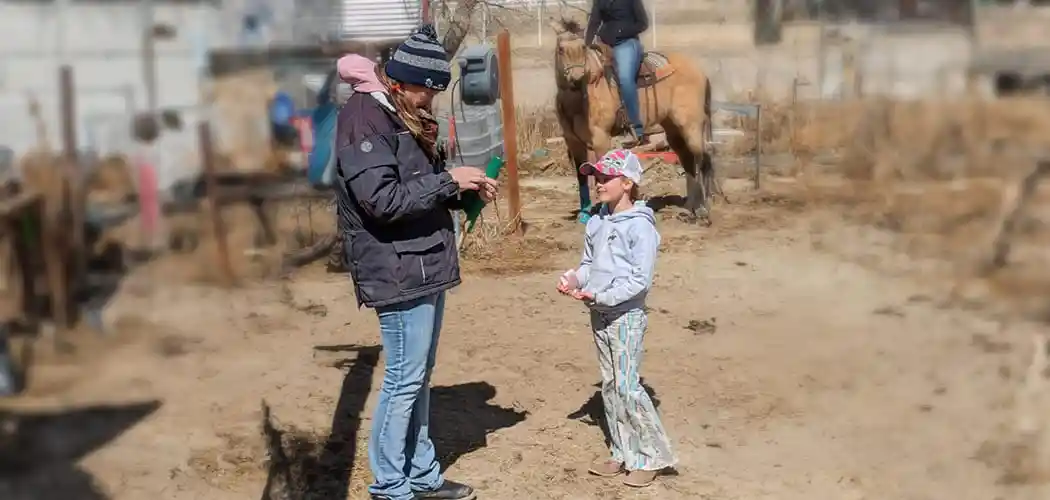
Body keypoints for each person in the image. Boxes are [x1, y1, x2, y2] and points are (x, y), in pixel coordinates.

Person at [335, 25, 498, 500]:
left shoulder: (395, 111)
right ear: (404, 80)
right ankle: (390, 484)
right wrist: (448, 181)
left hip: (421, 259)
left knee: (418, 376)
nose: (432, 99)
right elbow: (381, 200)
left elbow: (413, 184)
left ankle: (422, 475)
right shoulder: (365, 118)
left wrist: (462, 190)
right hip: (396, 265)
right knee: (404, 379)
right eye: (429, 89)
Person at [556, 149, 676, 488]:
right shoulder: (597, 221)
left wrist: (601, 296)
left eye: (607, 178)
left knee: (627, 386)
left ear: (628, 183)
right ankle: (622, 452)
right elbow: (588, 264)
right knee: (610, 385)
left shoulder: (640, 227)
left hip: (626, 316)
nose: (598, 183)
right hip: (599, 313)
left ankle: (651, 457)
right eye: (597, 177)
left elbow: (640, 281)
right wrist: (574, 279)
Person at [584, 0, 651, 147]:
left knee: (625, 79)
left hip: (626, 43)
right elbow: (594, 22)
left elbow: (643, 23)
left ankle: (636, 129)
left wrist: (620, 31)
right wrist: (586, 45)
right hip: (604, 46)